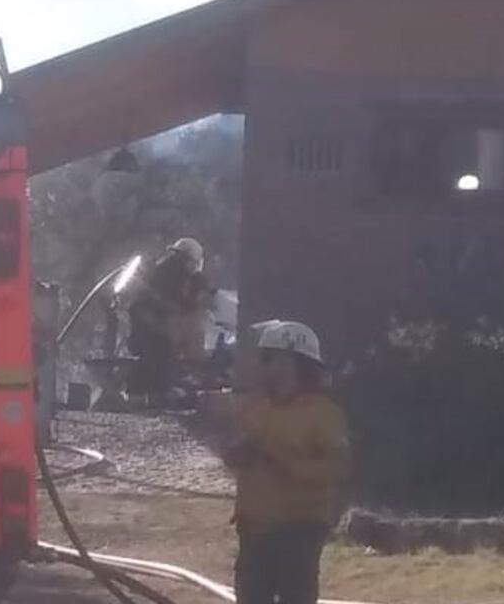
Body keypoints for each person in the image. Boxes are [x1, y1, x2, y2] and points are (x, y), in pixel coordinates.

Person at [224, 321, 350, 604]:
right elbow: (234, 451)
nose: (264, 367)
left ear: (299, 365)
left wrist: (282, 462)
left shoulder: (323, 414)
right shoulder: (255, 407)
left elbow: (336, 468)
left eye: (273, 359)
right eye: (264, 358)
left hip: (298, 528)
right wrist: (235, 452)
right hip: (254, 527)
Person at [127, 237, 208, 407]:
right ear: (187, 260)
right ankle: (160, 393)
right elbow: (170, 305)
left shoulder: (162, 270)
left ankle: (144, 394)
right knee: (159, 357)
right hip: (150, 330)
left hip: (146, 330)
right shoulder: (170, 276)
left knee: (154, 357)